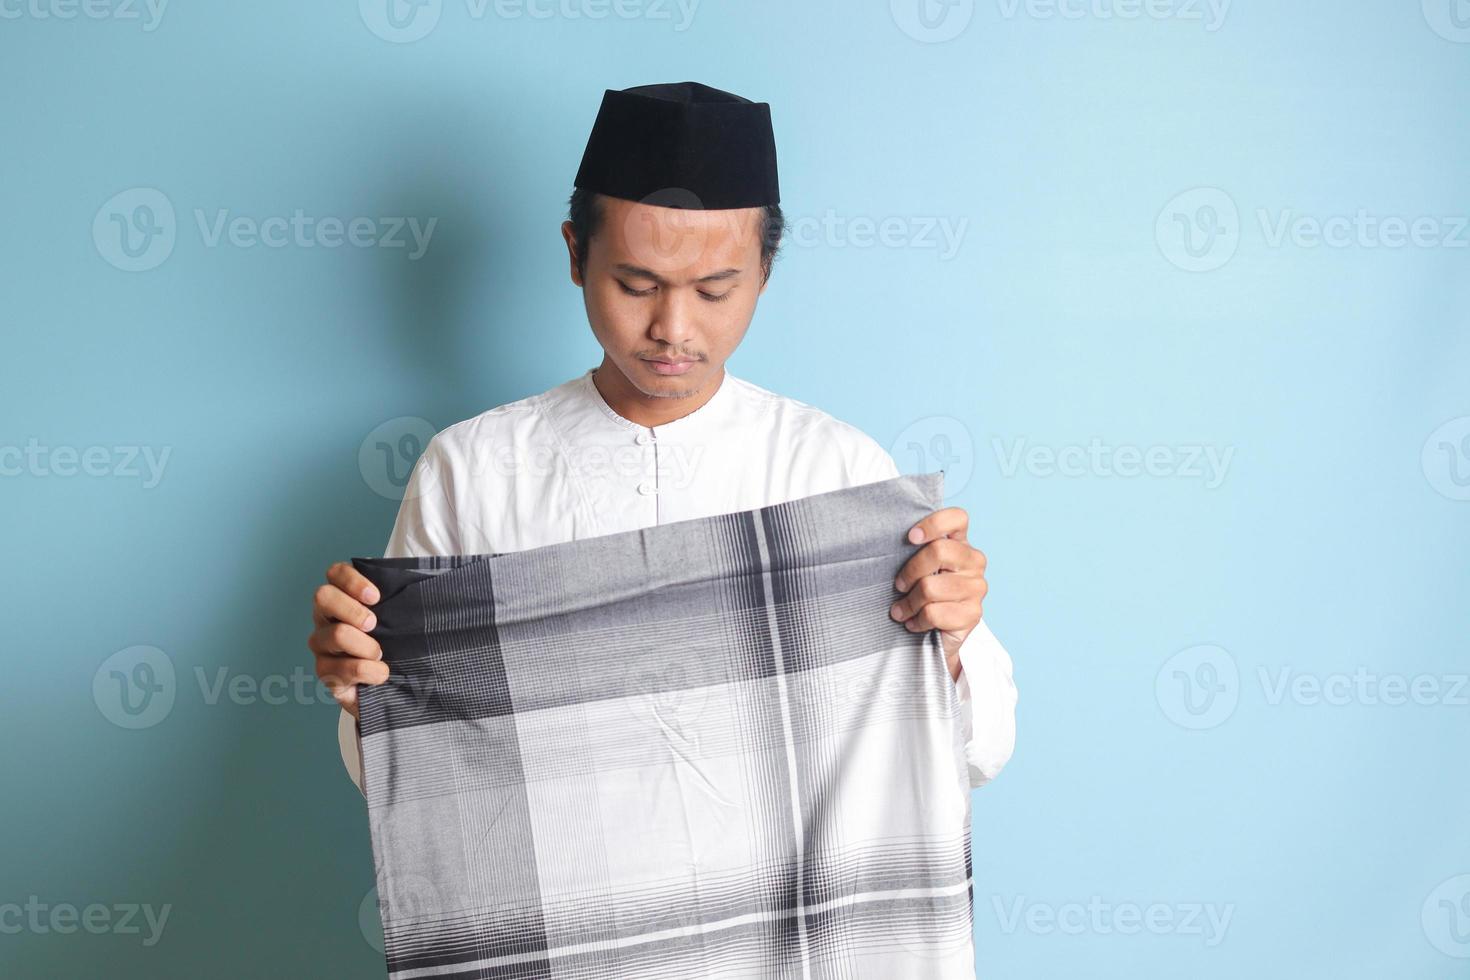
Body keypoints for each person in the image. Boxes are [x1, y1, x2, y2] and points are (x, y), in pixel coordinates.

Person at [308, 80, 1017, 798]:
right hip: (560, 895)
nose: (674, 330)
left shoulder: (837, 468)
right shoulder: (473, 470)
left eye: (714, 291)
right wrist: (366, 695)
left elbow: (975, 756)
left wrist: (949, 647)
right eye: (638, 285)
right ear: (576, 255)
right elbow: (400, 788)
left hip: (781, 904)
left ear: (765, 273)